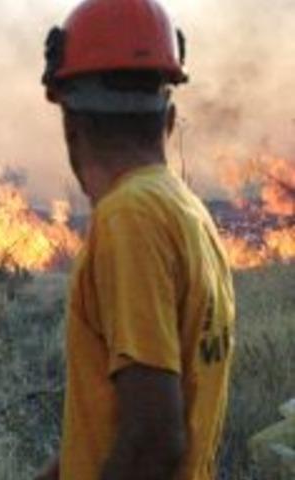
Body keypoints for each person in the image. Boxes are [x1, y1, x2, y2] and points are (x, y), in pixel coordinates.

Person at [35, 1, 235, 479]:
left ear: (72, 128)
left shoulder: (129, 219)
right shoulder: (186, 212)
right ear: (167, 119)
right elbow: (119, 426)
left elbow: (152, 443)